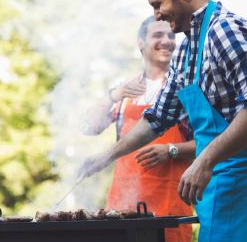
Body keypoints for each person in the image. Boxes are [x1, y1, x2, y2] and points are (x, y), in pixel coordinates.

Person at [78, 0, 247, 241]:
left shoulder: (225, 31)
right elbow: (158, 119)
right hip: (213, 196)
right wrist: (106, 156)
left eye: (157, 4)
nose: (156, 14)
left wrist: (205, 160)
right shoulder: (185, 52)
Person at [81, 16, 194, 242]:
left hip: (168, 209)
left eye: (171, 36)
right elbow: (88, 127)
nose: (167, 41)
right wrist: (115, 94)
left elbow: (208, 142)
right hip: (121, 209)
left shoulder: (185, 90)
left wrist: (171, 149)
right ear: (140, 43)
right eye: (157, 35)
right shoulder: (125, 89)